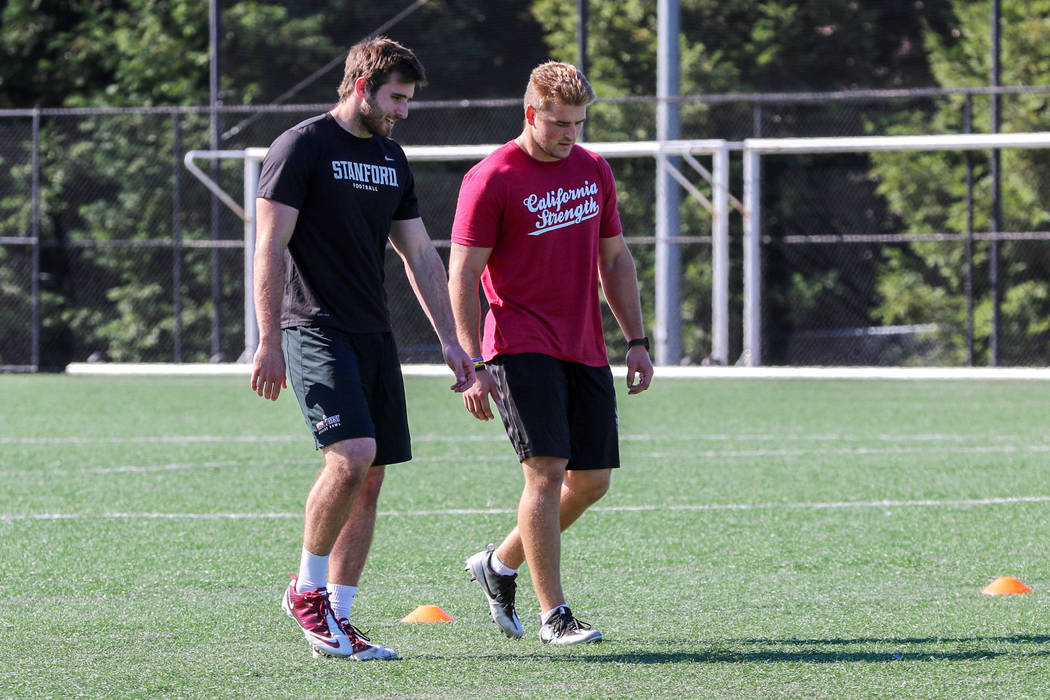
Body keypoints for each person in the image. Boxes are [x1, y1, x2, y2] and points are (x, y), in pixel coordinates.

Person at [250, 36, 474, 661]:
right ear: (361, 87)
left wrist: (452, 340)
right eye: (396, 98)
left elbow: (420, 254)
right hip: (311, 325)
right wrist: (268, 339)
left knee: (371, 476)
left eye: (408, 99)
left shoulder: (390, 158)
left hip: (372, 333)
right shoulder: (301, 146)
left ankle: (338, 619)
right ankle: (306, 591)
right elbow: (268, 247)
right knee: (351, 455)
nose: (403, 110)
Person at [448, 61, 654, 646]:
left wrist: (636, 341)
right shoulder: (491, 178)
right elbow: (462, 275)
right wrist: (473, 364)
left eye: (579, 122)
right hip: (518, 344)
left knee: (591, 482)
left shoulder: (593, 169)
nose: (571, 134)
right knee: (545, 473)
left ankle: (498, 564)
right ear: (530, 113)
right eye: (560, 122)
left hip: (585, 346)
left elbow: (614, 260)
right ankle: (553, 614)